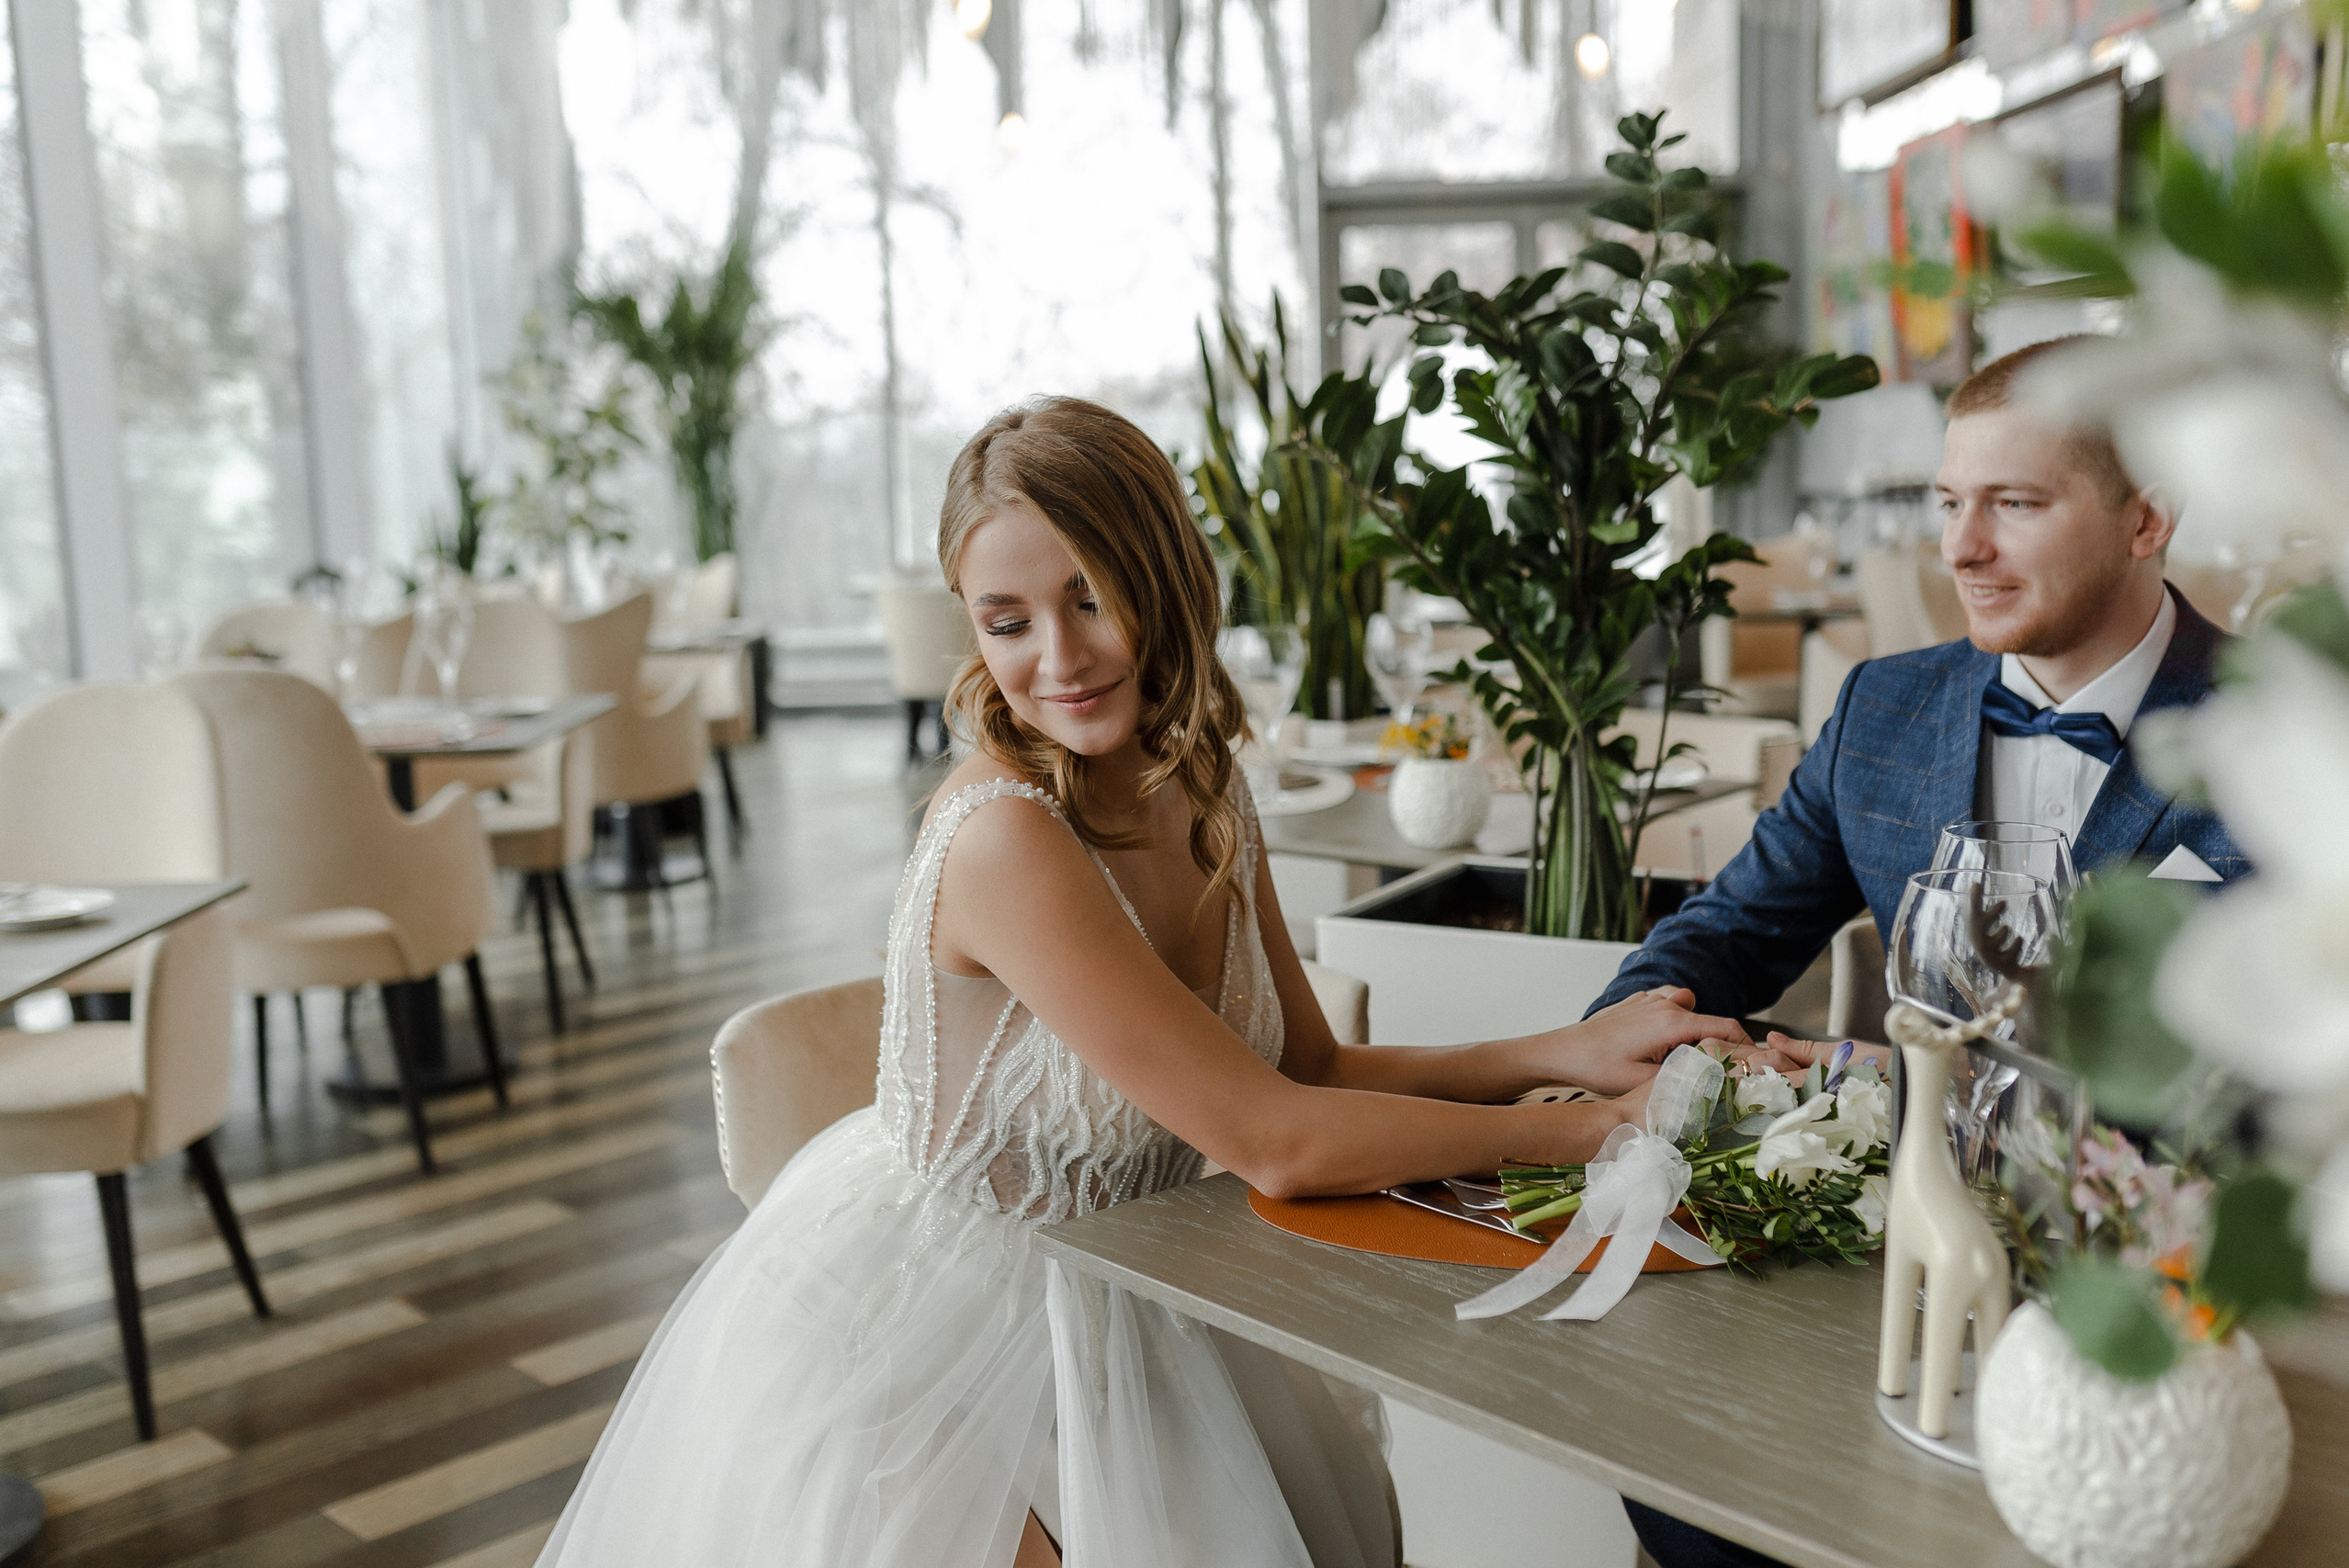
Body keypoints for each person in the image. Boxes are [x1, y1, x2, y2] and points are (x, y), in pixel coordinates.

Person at [536, 396, 1786, 1568]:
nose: (1059, 658)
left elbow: (1309, 1072)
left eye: (1092, 596)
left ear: (1166, 578)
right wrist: (1603, 1132)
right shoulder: (1010, 839)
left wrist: (1562, 1053)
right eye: (1006, 618)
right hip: (958, 1338)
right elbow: (1278, 1142)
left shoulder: (1200, 781)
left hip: (1150, 1279)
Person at [1595, 339, 2250, 1568]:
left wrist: (1875, 1082)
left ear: (2147, 517)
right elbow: (1732, 928)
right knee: (1677, 1478)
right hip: (1882, 1272)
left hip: (2164, 1312)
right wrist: (1636, 1035)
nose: (1961, 550)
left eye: (2016, 503)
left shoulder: (2278, 741)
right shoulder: (1885, 708)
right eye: (1949, 503)